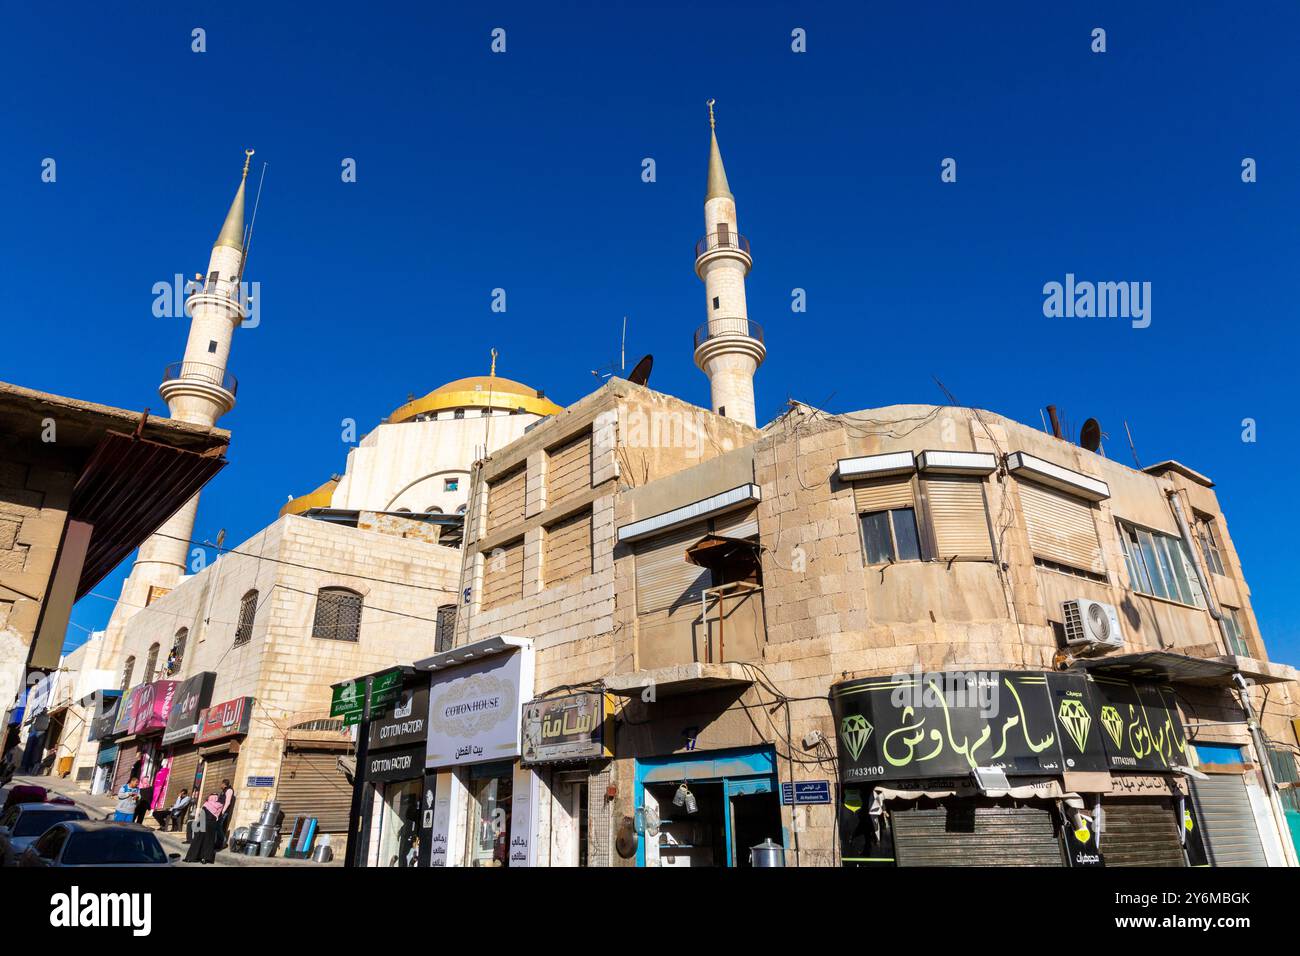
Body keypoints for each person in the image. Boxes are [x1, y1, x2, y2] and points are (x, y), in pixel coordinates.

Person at [184, 793, 224, 864]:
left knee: (197, 841)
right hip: (212, 824)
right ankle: (204, 859)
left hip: (203, 823)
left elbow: (201, 815)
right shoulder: (220, 805)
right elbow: (218, 816)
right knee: (208, 842)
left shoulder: (206, 804)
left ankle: (190, 858)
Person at [215, 779, 235, 851]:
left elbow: (228, 802)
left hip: (224, 811)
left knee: (218, 826)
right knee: (218, 827)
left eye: (221, 784)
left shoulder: (229, 790)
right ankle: (218, 843)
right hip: (220, 811)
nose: (220, 785)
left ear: (224, 784)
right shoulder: (224, 790)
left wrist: (223, 811)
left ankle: (223, 842)